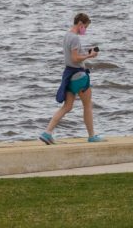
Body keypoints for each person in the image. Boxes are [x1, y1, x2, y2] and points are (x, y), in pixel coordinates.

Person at [39, 12, 103, 144]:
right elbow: (75, 59)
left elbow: (72, 56)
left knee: (67, 107)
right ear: (80, 24)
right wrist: (90, 56)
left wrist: (85, 54)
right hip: (79, 76)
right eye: (85, 27)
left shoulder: (67, 36)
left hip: (69, 76)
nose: (85, 30)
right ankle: (92, 136)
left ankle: (47, 132)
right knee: (87, 105)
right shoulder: (75, 38)